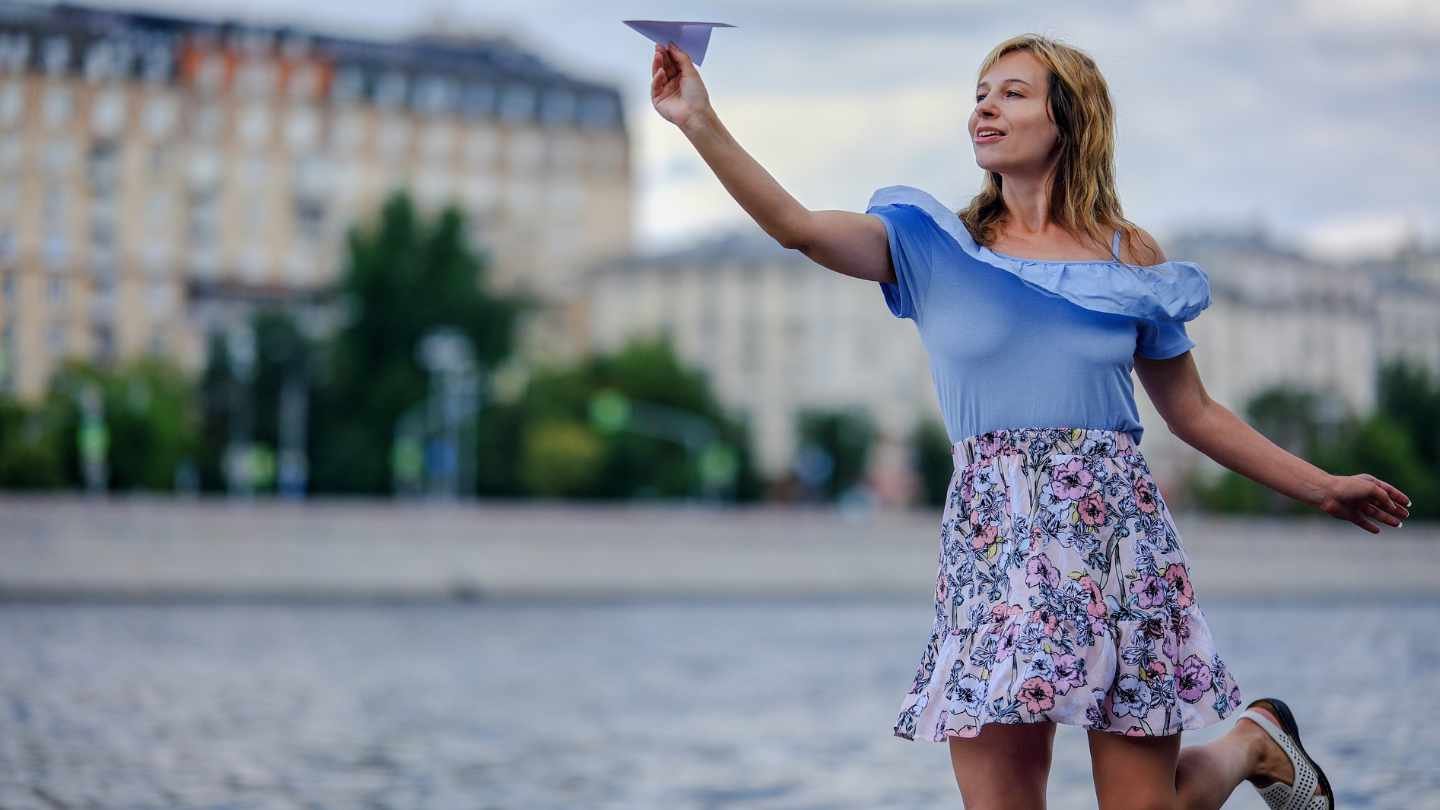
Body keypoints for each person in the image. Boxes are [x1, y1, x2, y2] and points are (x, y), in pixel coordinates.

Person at [650, 32, 1411, 810]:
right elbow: (795, 226)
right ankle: (1254, 740)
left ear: (1068, 119)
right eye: (980, 92)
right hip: (994, 545)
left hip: (1117, 540)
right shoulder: (929, 245)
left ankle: (1252, 742)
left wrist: (1322, 487)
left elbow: (1193, 412)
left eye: (1012, 92)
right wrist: (697, 121)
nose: (985, 104)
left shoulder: (1127, 254)